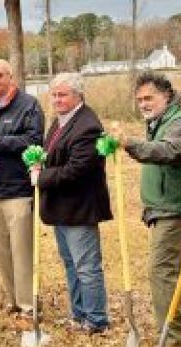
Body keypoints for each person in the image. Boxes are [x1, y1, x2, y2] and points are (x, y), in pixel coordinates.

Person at [111, 71, 181, 347]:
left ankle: (174, 339)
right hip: (163, 208)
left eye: (149, 97)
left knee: (162, 271)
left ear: (167, 95)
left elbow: (168, 151)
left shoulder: (180, 122)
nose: (144, 104)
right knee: (179, 272)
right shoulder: (159, 122)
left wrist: (129, 143)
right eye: (139, 100)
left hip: (175, 208)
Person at [37, 72, 111, 333]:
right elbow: (54, 157)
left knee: (87, 267)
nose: (57, 99)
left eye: (62, 94)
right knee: (71, 264)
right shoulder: (59, 122)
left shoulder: (87, 125)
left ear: (78, 95)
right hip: (62, 208)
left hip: (80, 208)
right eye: (54, 94)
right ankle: (79, 314)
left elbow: (77, 169)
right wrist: (39, 162)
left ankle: (96, 320)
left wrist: (41, 176)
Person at [0, 58, 44, 317]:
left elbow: (35, 141)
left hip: (18, 190)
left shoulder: (29, 105)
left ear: (10, 77)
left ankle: (28, 305)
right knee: (2, 252)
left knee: (21, 251)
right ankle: (13, 299)